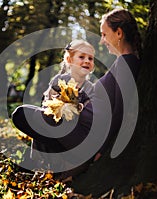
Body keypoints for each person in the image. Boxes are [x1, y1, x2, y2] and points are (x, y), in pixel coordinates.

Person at [12, 8, 141, 181]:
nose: (102, 41)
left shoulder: (128, 62)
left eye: (104, 34)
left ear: (119, 33)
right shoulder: (124, 62)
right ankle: (52, 166)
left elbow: (121, 111)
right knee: (38, 116)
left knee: (21, 114)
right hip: (79, 128)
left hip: (86, 137)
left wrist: (102, 150)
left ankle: (64, 164)